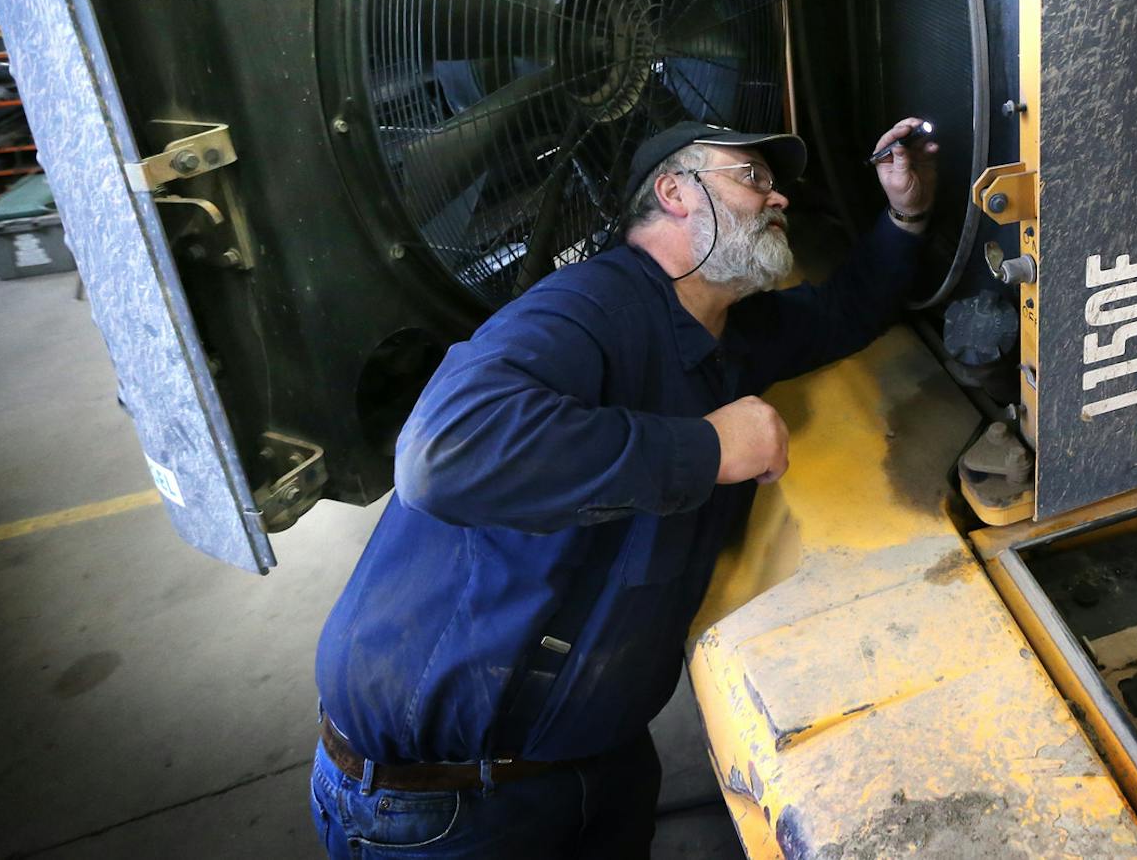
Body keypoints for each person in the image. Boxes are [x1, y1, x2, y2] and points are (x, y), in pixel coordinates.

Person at [307, 116, 938, 858]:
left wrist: (908, 211)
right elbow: (444, 452)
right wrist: (706, 447)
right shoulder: (585, 308)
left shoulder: (728, 330)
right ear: (674, 191)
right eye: (751, 178)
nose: (779, 200)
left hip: (597, 767)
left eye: (776, 184)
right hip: (443, 805)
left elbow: (843, 312)